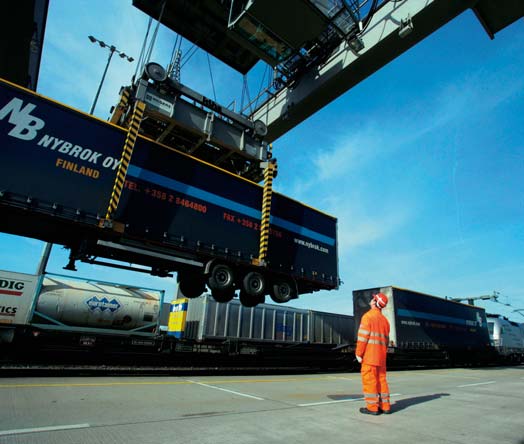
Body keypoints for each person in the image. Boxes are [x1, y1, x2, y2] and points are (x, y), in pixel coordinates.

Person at [355, 292, 391, 415]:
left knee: (370, 382)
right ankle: (385, 406)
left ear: (375, 303)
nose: (371, 300)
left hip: (369, 357)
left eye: (373, 298)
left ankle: (372, 408)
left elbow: (362, 338)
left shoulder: (367, 317)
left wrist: (359, 353)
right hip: (381, 358)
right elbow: (385, 342)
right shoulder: (385, 321)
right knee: (382, 381)